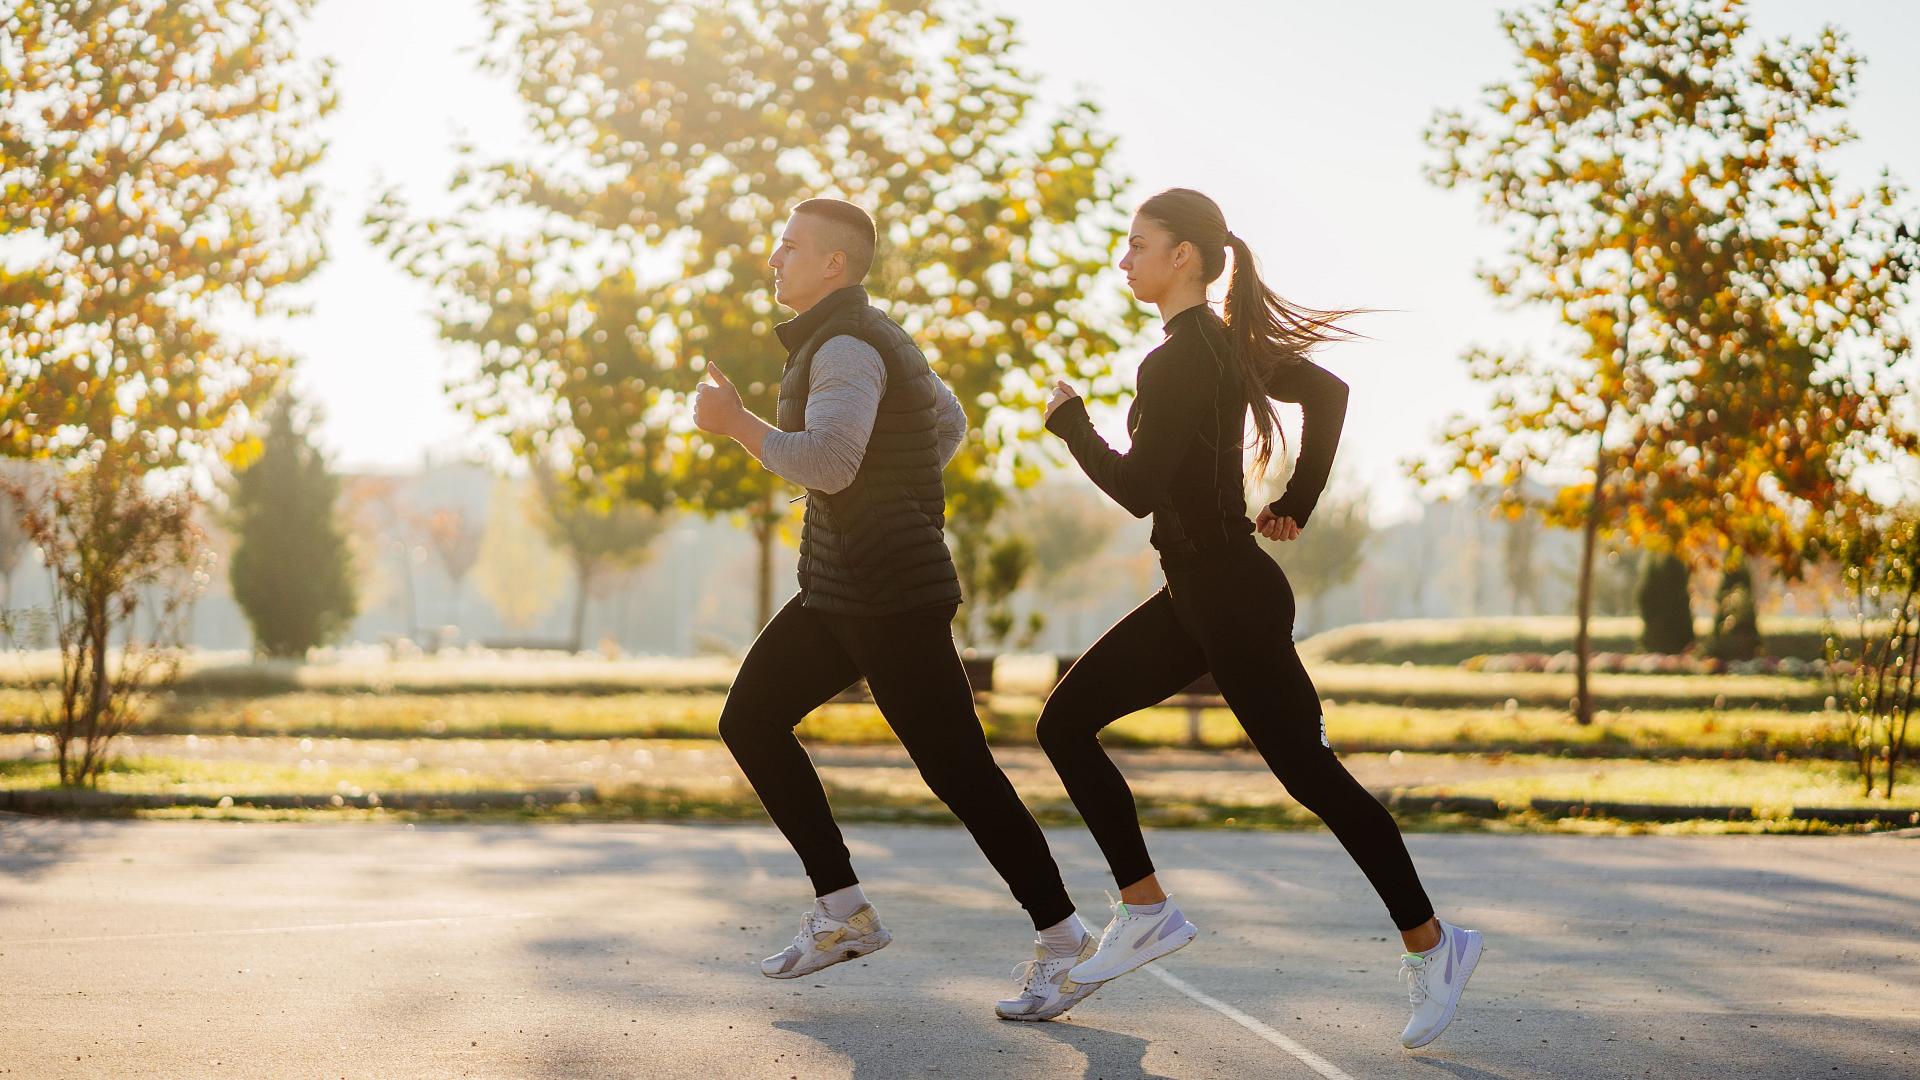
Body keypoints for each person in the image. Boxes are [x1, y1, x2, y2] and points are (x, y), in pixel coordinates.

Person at [1036, 188, 1483, 1049]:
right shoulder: (1215, 348)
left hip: (1230, 599)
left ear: (1186, 259)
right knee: (1066, 723)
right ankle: (1146, 909)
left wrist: (1071, 423)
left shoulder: (1180, 361)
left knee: (1312, 776)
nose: (1123, 260)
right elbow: (1333, 393)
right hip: (1199, 595)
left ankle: (1436, 948)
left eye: (1137, 245)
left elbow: (1135, 490)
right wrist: (1299, 498)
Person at [691, 197, 1105, 1021]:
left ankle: (1066, 941)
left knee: (960, 772)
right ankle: (843, 912)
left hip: (887, 596)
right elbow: (943, 424)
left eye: (790, 246)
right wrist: (896, 490)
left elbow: (834, 462)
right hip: (843, 588)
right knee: (750, 719)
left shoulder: (844, 345)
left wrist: (737, 425)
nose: (774, 259)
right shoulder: (874, 334)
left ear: (834, 265)